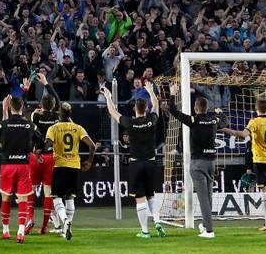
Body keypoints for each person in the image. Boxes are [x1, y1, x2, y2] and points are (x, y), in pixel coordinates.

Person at [221, 97, 266, 232]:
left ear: (256, 109)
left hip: (260, 160)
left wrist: (225, 129)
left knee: (264, 191)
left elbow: (243, 134)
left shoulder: (254, 122)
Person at [103, 84, 164, 238]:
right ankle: (157, 221)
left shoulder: (130, 123)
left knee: (140, 197)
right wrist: (151, 92)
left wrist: (108, 98)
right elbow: (156, 106)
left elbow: (113, 112)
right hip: (151, 162)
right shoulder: (151, 120)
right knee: (151, 194)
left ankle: (145, 231)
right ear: (146, 109)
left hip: (136, 164)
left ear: (134, 109)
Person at [162, 90, 223, 239]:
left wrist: (172, 94)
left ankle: (209, 231)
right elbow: (225, 122)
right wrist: (220, 113)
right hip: (211, 162)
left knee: (203, 199)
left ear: (196, 108)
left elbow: (173, 111)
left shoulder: (193, 120)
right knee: (208, 196)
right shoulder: (213, 120)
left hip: (198, 164)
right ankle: (205, 225)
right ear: (207, 108)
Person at [0, 94, 41, 243]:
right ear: (22, 107)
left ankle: (6, 231)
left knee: (6, 198)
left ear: (9, 107)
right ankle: (20, 232)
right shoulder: (30, 125)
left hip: (7, 166)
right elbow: (41, 142)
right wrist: (36, 150)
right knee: (23, 199)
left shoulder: (2, 125)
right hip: (23, 166)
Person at [44, 101, 95, 241]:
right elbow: (92, 146)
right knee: (70, 197)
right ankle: (68, 228)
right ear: (70, 114)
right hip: (74, 166)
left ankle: (65, 220)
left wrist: (41, 149)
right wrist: (89, 161)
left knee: (56, 197)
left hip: (59, 166)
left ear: (59, 114)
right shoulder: (78, 128)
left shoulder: (53, 128)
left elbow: (47, 146)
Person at [28, 72, 60, 234]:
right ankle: (45, 226)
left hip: (36, 156)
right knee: (48, 192)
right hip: (51, 156)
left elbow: (24, 109)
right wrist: (46, 83)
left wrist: (27, 88)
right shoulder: (57, 117)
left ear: (41, 105)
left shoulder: (35, 115)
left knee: (31, 189)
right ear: (53, 106)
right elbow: (58, 100)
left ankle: (29, 218)